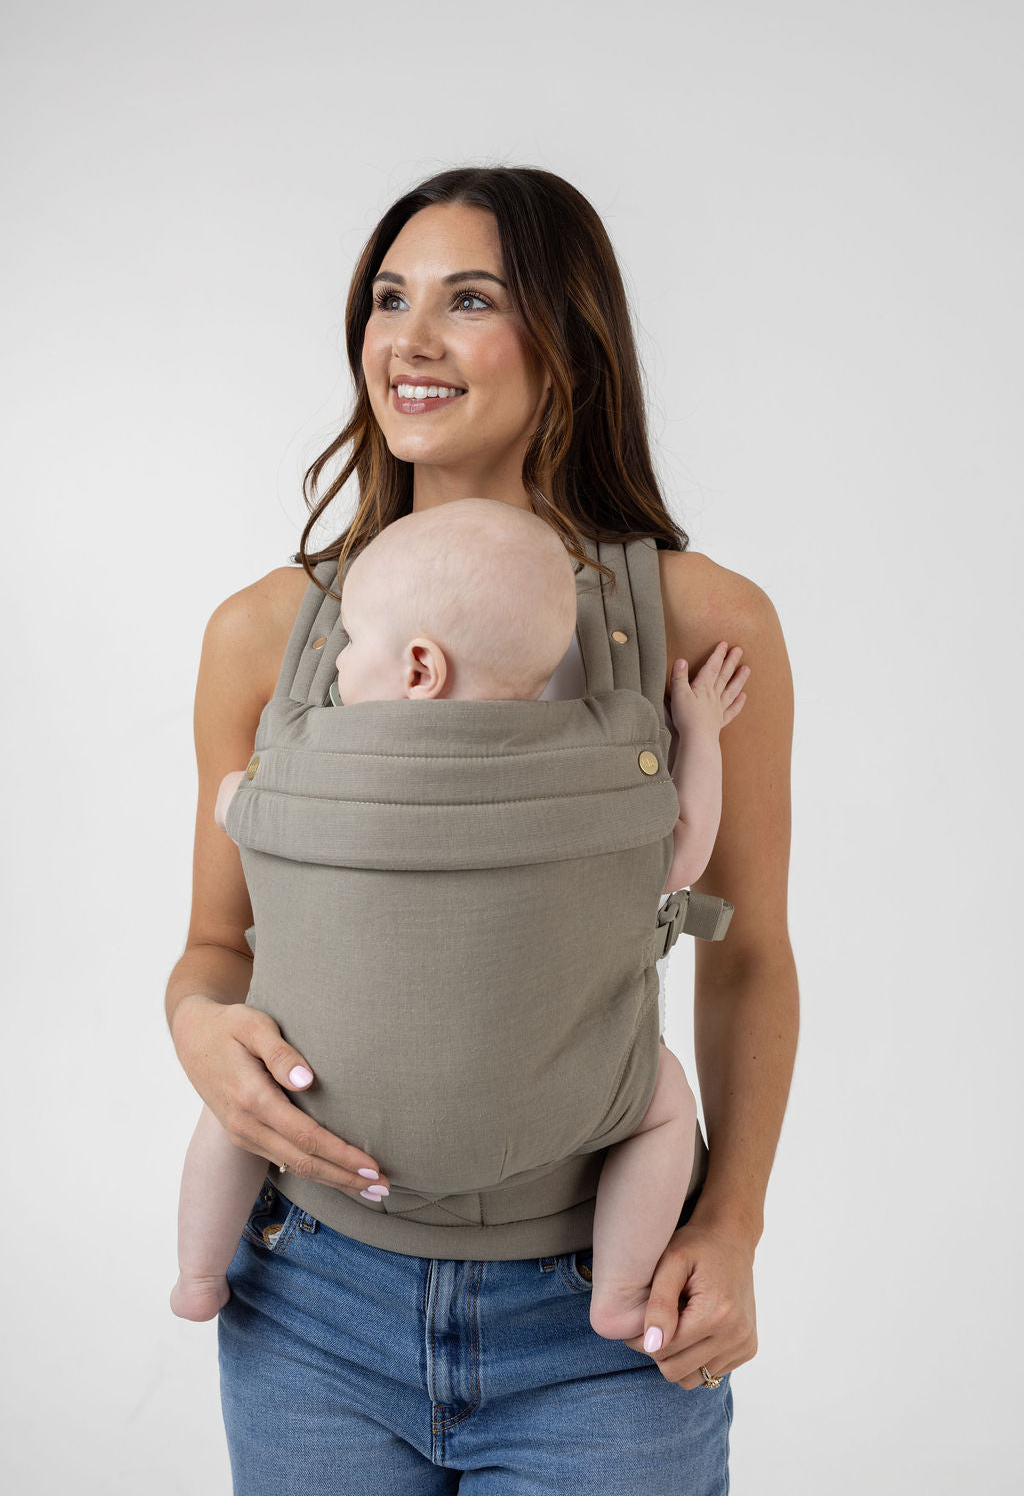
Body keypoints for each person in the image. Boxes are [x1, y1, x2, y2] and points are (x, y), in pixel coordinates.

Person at [165, 165, 798, 1494]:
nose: (410, 337)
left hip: (601, 1321)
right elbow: (215, 947)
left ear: (566, 339)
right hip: (311, 1306)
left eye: (468, 299)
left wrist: (731, 1223)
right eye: (388, 298)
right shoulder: (260, 636)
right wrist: (199, 1033)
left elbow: (747, 952)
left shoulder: (700, 623)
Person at [169, 498, 750, 1347]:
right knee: (663, 1105)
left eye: (355, 641)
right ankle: (623, 1293)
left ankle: (195, 1273)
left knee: (238, 1106)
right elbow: (686, 854)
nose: (338, 665)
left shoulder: (304, 777)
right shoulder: (600, 784)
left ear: (418, 668)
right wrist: (698, 730)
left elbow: (233, 810)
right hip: (565, 1126)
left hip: (324, 1105)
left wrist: (240, 798)